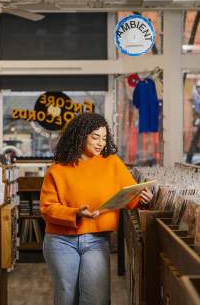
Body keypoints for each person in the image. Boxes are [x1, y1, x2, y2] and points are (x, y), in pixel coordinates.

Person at [40, 112, 153, 305]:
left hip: (96, 240)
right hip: (61, 241)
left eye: (104, 138)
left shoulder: (113, 164)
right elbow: (47, 208)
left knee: (97, 299)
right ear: (80, 135)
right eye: (95, 137)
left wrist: (143, 198)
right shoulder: (58, 170)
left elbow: (130, 198)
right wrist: (75, 213)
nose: (101, 143)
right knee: (67, 298)